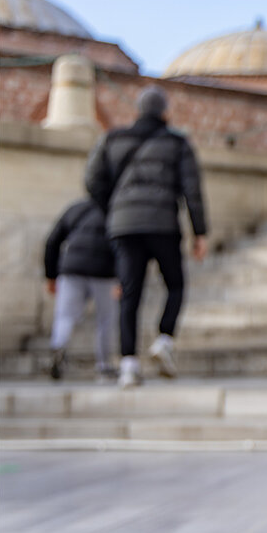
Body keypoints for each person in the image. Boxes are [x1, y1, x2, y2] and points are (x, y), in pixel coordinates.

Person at [84, 85, 208, 388]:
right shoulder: (178, 143)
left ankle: (128, 365)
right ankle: (164, 340)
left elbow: (91, 180)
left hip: (124, 226)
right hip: (163, 223)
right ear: (165, 111)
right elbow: (192, 190)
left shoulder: (113, 138)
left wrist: (114, 207)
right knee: (175, 284)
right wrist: (199, 231)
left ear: (138, 110)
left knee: (129, 295)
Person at [42, 196, 119, 382]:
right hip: (104, 271)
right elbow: (123, 247)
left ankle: (58, 347)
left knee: (65, 314)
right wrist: (123, 278)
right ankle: (103, 365)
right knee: (106, 319)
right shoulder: (116, 210)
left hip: (72, 268)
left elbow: (52, 241)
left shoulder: (76, 208)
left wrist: (51, 274)